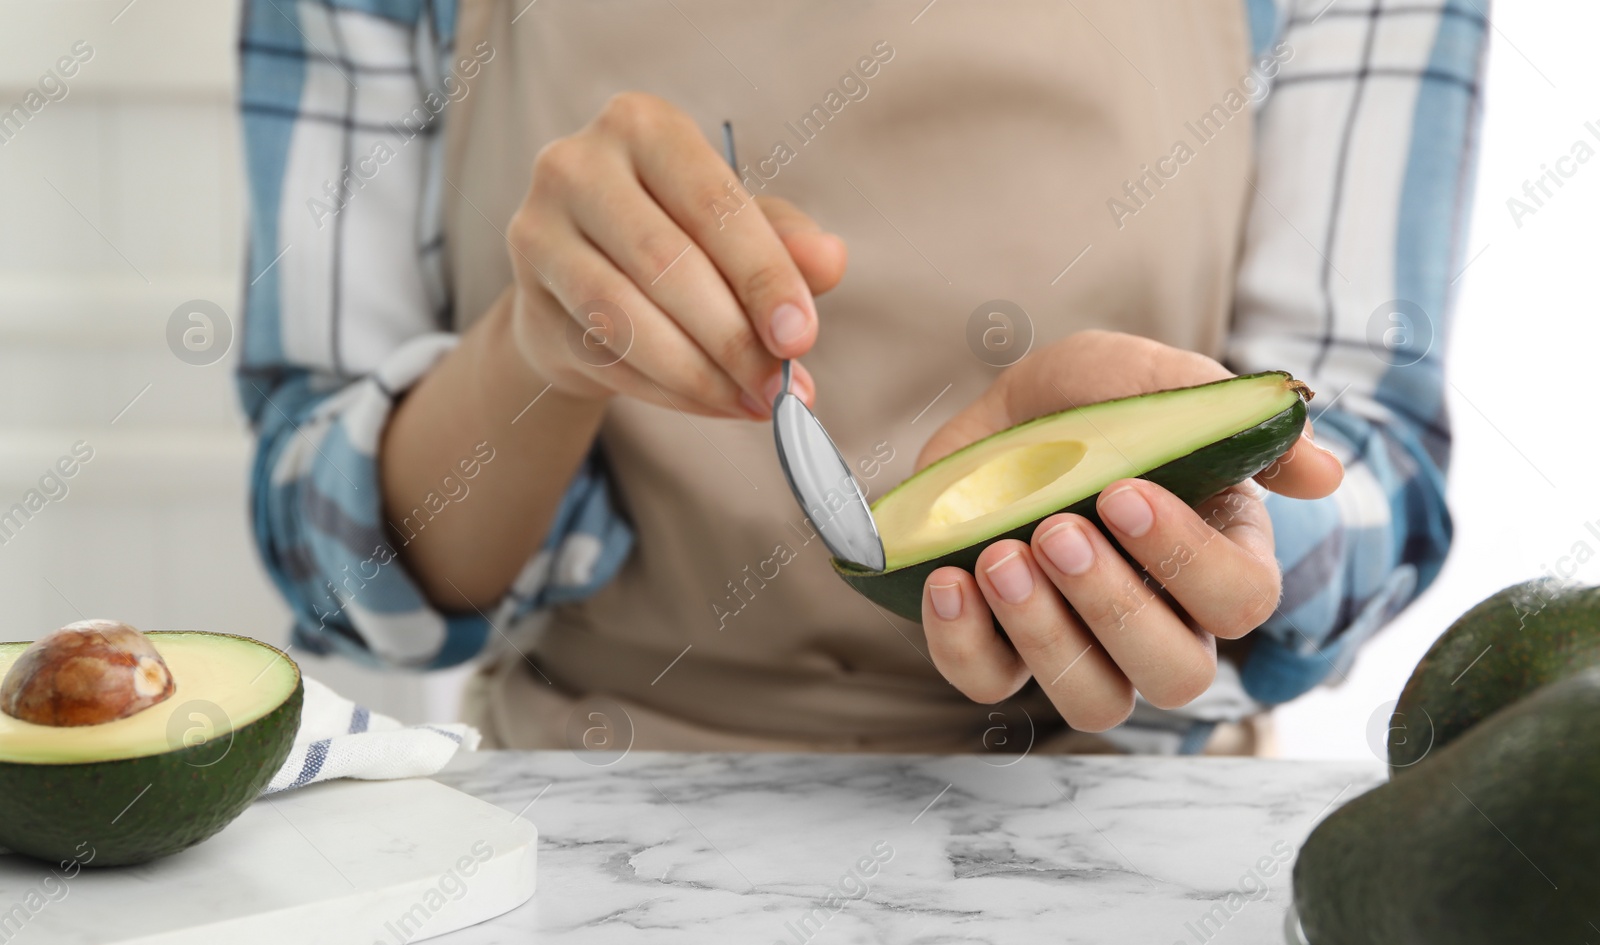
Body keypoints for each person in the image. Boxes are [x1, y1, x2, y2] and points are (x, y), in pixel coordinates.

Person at [237, 0, 1485, 756]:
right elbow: (334, 556)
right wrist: (532, 357)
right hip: (593, 818)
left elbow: (1371, 466)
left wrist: (1206, 519)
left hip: (1125, 835)